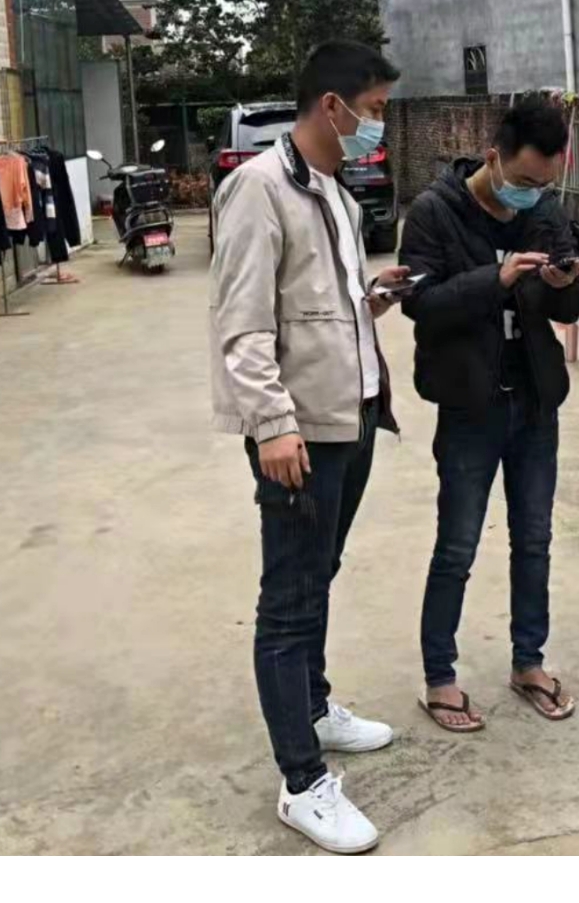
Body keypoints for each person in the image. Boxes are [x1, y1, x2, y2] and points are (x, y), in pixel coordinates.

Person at [207, 41, 412, 854]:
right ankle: (301, 781)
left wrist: (373, 300)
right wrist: (271, 423)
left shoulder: (335, 191)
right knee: (289, 598)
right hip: (300, 430)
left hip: (349, 415)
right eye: (376, 108)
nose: (379, 124)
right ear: (334, 106)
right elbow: (242, 320)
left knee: (319, 571)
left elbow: (318, 302)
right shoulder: (258, 188)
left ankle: (315, 708)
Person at [396, 92, 579, 731]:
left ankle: (528, 663)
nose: (533, 195)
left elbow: (566, 310)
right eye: (525, 181)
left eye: (544, 184)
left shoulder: (545, 210)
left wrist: (564, 285)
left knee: (533, 539)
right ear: (493, 158)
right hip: (469, 405)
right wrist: (498, 279)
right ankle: (440, 678)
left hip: (533, 402)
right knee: (456, 545)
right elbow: (420, 304)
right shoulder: (434, 212)